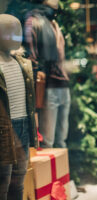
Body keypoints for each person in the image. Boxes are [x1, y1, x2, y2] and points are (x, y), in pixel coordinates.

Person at [0, 14, 38, 200]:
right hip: (3, 131)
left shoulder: (22, 64)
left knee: (19, 179)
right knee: (3, 181)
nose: (17, 37)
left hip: (22, 126)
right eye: (10, 33)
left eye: (19, 33)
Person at [24, 0, 71, 148]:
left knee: (61, 140)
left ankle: (63, 171)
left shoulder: (54, 24)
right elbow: (31, 56)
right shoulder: (34, 22)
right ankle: (49, 170)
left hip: (62, 84)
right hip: (47, 86)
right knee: (47, 141)